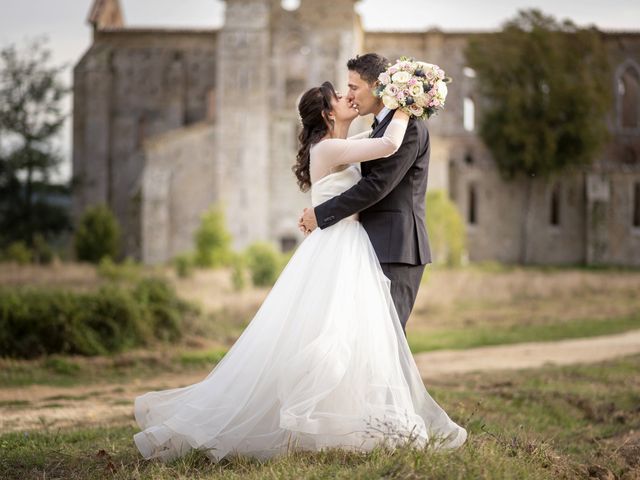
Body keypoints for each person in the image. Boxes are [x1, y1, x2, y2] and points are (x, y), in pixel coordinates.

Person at [133, 81, 466, 463]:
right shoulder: (329, 147)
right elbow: (389, 145)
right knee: (332, 334)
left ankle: (351, 421)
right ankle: (303, 410)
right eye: (340, 97)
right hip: (338, 248)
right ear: (327, 113)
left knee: (354, 334)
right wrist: (407, 102)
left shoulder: (344, 141)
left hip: (348, 245)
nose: (348, 98)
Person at [299, 53, 432, 334]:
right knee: (362, 339)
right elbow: (379, 148)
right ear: (328, 114)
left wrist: (406, 103)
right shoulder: (369, 134)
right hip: (362, 245)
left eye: (353, 87)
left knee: (386, 336)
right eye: (344, 90)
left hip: (396, 246)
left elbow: (377, 186)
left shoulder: (406, 128)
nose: (349, 95)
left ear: (376, 86)